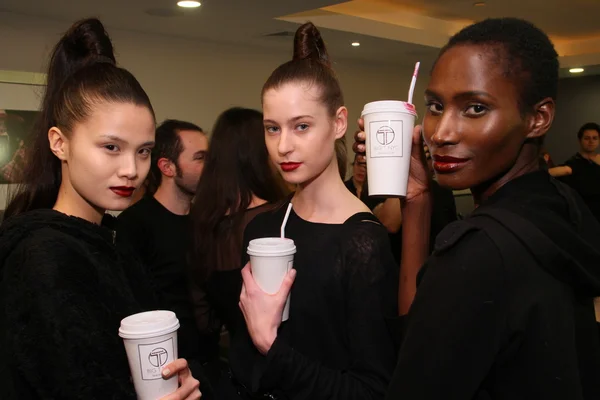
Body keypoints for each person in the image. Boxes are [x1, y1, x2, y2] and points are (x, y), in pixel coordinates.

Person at [354, 18, 600, 399]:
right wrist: (417, 199)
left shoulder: (480, 250)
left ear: (538, 118)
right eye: (435, 106)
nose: (440, 133)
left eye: (475, 108)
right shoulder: (560, 203)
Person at [0, 18, 200, 399]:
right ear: (60, 144)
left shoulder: (109, 239)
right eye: (111, 147)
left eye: (143, 151)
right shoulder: (44, 255)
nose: (131, 170)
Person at [228, 22, 398, 400]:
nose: (283, 146)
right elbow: (242, 360)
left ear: (338, 123)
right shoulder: (263, 228)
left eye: (301, 126)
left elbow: (372, 389)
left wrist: (272, 348)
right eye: (272, 129)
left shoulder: (362, 241)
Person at [188, 107, 287, 392]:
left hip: (236, 374)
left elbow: (205, 321)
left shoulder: (203, 225)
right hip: (283, 371)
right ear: (258, 153)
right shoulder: (279, 217)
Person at [115, 119, 209, 389]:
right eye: (200, 158)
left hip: (209, 365)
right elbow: (132, 304)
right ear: (168, 167)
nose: (210, 167)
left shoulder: (206, 221)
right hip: (163, 373)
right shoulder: (135, 224)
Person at [559, 122, 600, 221]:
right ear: (580, 140)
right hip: (584, 219)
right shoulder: (571, 165)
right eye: (587, 138)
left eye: (595, 138)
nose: (591, 141)